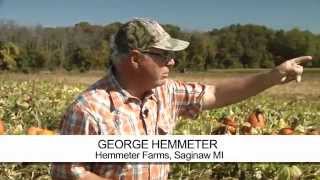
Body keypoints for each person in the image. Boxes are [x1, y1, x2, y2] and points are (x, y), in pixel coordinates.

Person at [51, 18, 313, 180]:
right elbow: (68, 173)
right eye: (163, 55)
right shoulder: (89, 109)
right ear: (135, 58)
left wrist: (272, 76)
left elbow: (215, 93)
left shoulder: (166, 92)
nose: (172, 61)